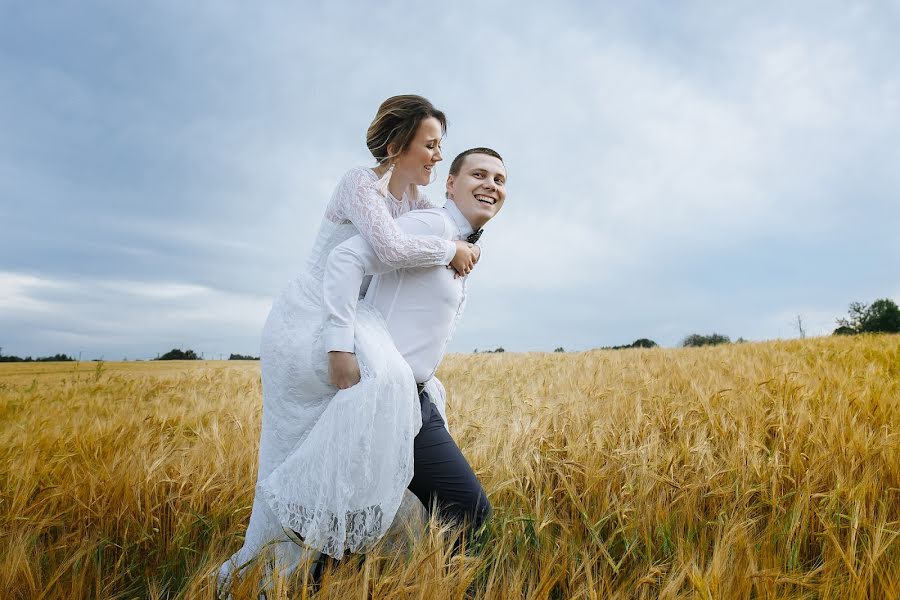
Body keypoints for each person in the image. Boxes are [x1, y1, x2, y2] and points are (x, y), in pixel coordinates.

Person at [217, 95, 481, 592]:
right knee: (339, 429)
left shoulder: (418, 204)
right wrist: (452, 249)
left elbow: (424, 241)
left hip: (357, 316)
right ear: (399, 143)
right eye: (430, 144)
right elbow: (388, 248)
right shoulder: (361, 183)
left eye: (440, 146)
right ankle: (277, 564)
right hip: (313, 317)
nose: (437, 155)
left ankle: (318, 567)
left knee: (346, 449)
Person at [287, 147, 508, 567]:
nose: (491, 185)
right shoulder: (432, 223)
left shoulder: (455, 239)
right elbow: (346, 258)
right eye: (479, 174)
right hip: (386, 399)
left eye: (499, 180)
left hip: (411, 398)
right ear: (450, 183)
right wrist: (341, 347)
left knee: (352, 533)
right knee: (464, 509)